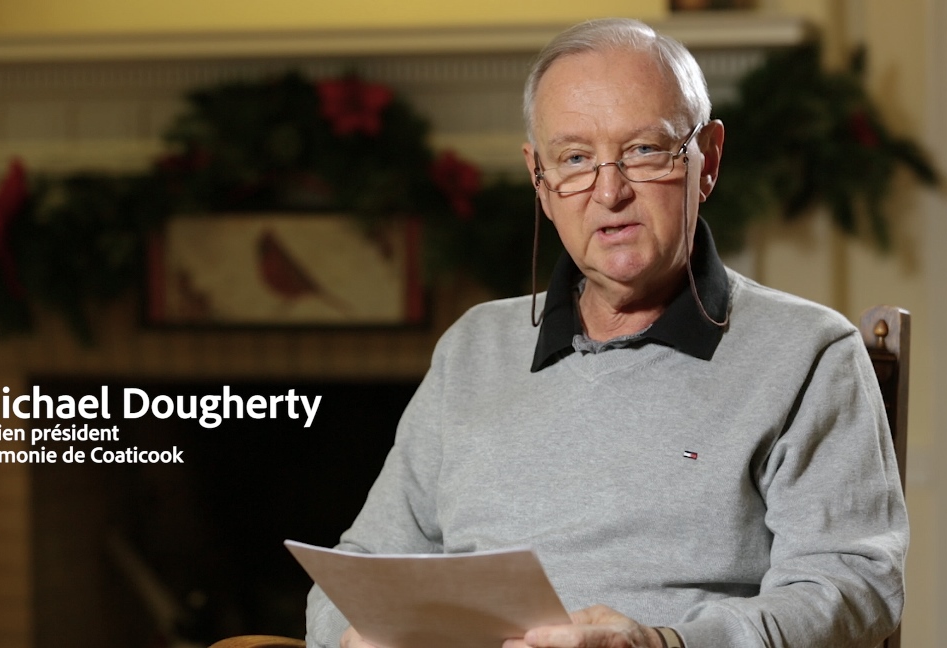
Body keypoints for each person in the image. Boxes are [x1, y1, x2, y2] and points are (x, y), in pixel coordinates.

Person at [306, 17, 908, 648]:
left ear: (709, 159)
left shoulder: (807, 352)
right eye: (574, 159)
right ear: (539, 179)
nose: (610, 190)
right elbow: (361, 567)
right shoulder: (473, 348)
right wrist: (355, 637)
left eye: (645, 150)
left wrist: (662, 644)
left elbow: (852, 587)